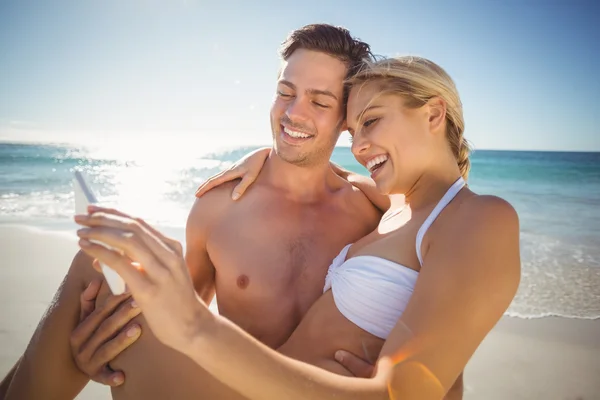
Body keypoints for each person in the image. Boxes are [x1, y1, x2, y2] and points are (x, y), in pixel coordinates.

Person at [72, 55, 521, 399]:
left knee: (92, 268)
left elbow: (417, 388)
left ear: (433, 114)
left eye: (372, 121)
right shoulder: (394, 207)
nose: (360, 146)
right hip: (247, 386)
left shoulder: (482, 216)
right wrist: (266, 156)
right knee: (96, 268)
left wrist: (195, 327)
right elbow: (325, 171)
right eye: (351, 132)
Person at [0, 24, 395, 400]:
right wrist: (111, 345)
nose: (294, 113)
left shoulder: (371, 210)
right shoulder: (219, 207)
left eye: (319, 101)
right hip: (221, 389)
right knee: (100, 259)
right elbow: (182, 316)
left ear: (346, 119)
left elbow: (431, 220)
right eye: (285, 92)